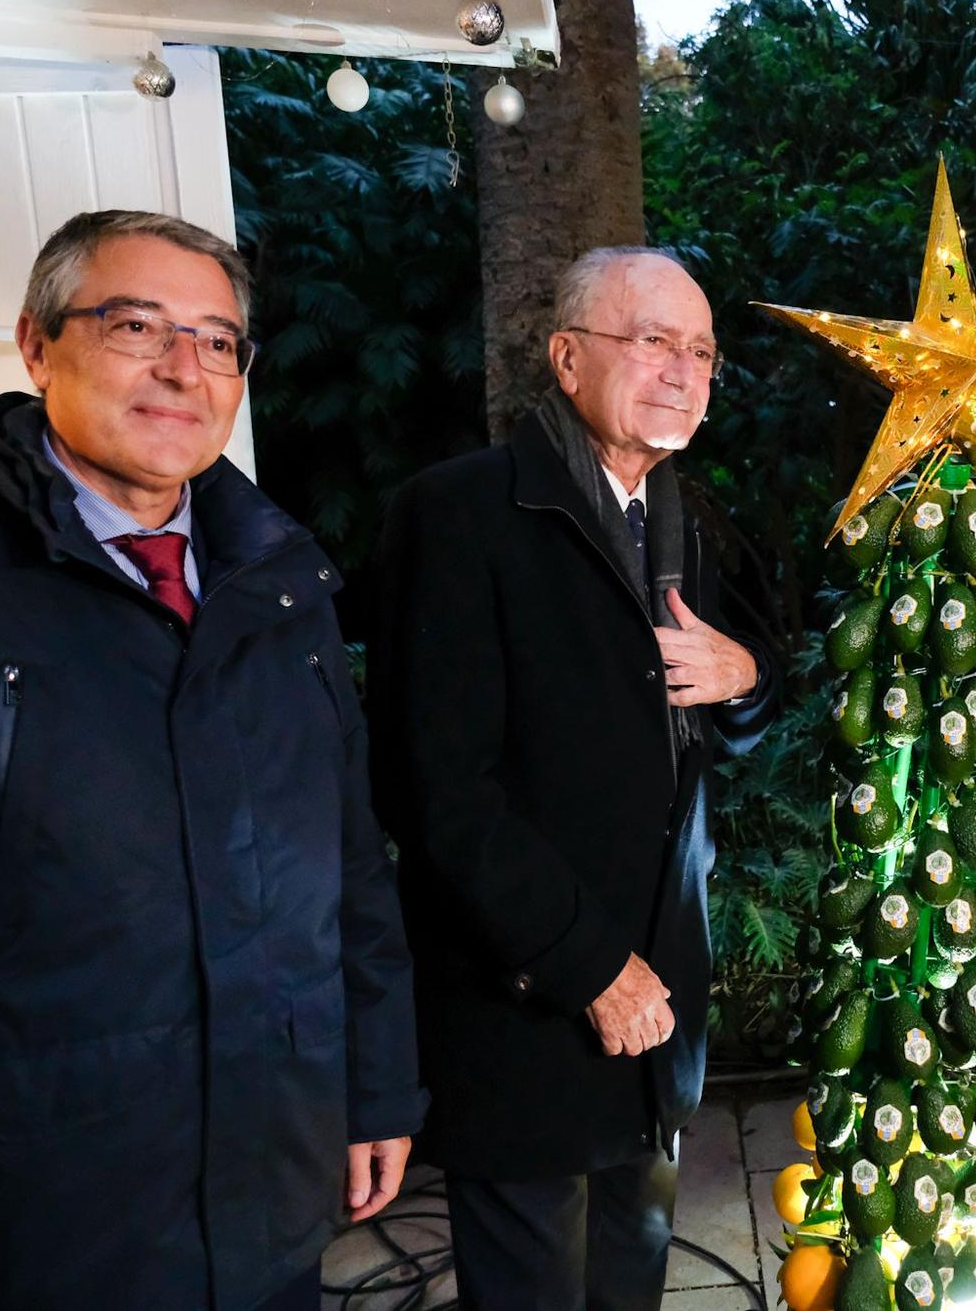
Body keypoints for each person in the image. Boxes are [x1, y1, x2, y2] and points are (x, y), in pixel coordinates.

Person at [0, 210, 424, 1311]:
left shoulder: (280, 588)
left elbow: (348, 861)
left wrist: (374, 1085)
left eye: (218, 341)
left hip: (267, 1193)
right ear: (37, 345)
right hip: (39, 1225)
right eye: (138, 325)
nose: (185, 368)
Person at [371, 246, 777, 1310]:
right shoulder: (458, 515)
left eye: (700, 351)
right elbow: (433, 791)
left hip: (654, 1025)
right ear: (565, 358)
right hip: (531, 1014)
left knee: (627, 1288)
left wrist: (741, 679)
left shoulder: (689, 525)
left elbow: (739, 717)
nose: (682, 371)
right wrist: (590, 964)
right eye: (652, 342)